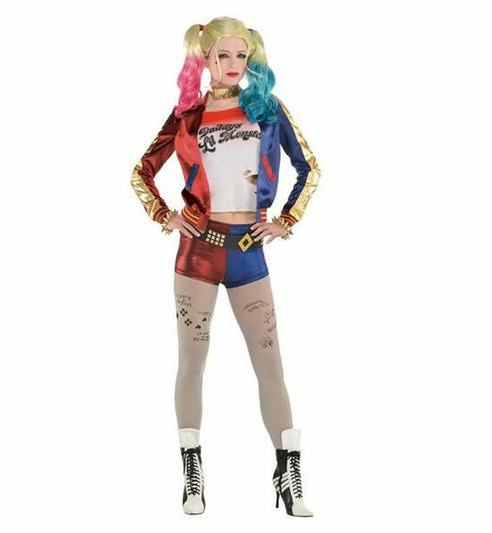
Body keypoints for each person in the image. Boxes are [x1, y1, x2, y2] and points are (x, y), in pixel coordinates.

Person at [130, 17, 321, 517]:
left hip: (248, 251)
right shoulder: (188, 116)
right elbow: (141, 172)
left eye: (241, 56)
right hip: (198, 253)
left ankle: (288, 472)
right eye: (223, 56)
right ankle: (192, 472)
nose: (234, 65)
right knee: (192, 359)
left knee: (270, 363)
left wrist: (286, 220)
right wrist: (166, 216)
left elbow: (309, 168)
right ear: (206, 59)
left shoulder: (267, 109)